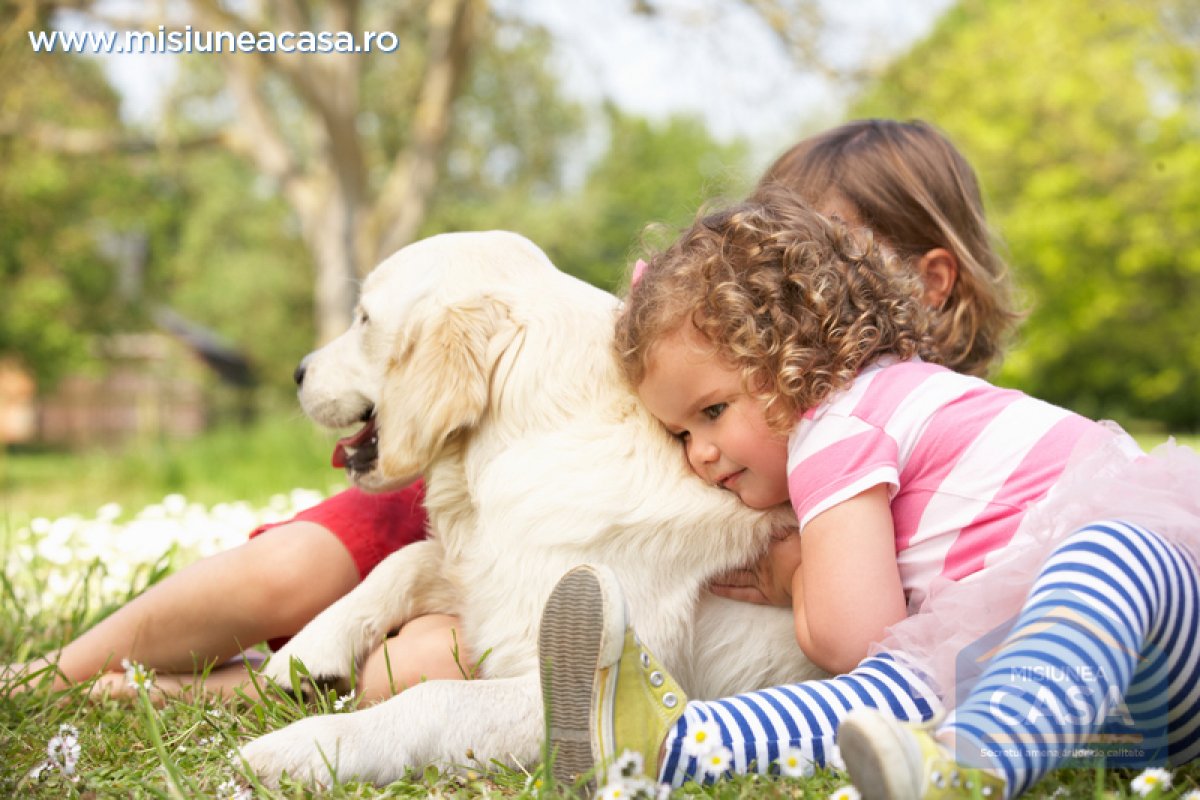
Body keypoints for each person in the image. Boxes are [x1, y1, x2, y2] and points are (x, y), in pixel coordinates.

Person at [2, 119, 1019, 706]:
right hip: (481, 472)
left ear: (928, 282)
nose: (794, 290)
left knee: (415, 664)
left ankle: (206, 691)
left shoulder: (902, 425)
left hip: (568, 553)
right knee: (290, 570)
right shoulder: (753, 366)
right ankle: (50, 671)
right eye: (774, 259)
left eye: (825, 256)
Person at [537, 189, 1200, 798]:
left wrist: (797, 575)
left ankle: (972, 768)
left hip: (1161, 635)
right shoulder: (872, 404)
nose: (699, 453)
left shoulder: (837, 427)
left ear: (788, 353)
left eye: (712, 411)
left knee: (1106, 555)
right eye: (679, 433)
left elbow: (853, 634)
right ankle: (666, 747)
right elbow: (883, 654)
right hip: (1067, 705)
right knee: (904, 686)